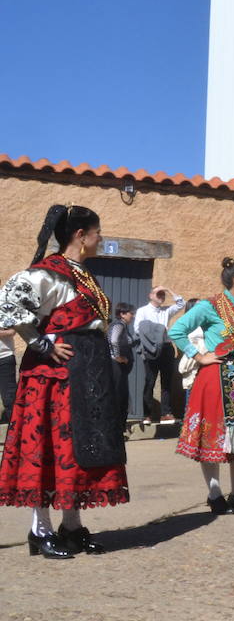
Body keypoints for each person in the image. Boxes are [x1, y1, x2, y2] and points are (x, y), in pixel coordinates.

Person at [0, 205, 128, 558]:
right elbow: (10, 300)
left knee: (76, 448)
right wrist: (41, 343)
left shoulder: (81, 273)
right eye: (97, 232)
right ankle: (38, 531)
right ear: (80, 235)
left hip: (85, 370)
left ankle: (71, 527)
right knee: (46, 446)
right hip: (54, 374)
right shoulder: (50, 271)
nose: (100, 238)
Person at [170, 258, 234, 514]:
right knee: (213, 437)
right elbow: (177, 330)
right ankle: (215, 493)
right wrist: (200, 356)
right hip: (215, 378)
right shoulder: (210, 306)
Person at [134, 284, 186, 424]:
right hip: (151, 348)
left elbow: (181, 303)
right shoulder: (143, 311)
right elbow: (137, 329)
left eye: (163, 295)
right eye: (158, 294)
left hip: (166, 347)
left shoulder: (166, 311)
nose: (161, 297)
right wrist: (155, 333)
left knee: (166, 382)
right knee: (149, 382)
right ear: (150, 295)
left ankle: (166, 413)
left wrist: (168, 289)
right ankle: (147, 415)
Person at [108, 302, 136, 425]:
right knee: (119, 395)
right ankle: (117, 426)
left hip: (120, 367)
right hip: (116, 366)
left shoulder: (124, 326)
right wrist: (118, 357)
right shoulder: (119, 324)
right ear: (122, 314)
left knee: (122, 395)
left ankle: (119, 426)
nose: (133, 316)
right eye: (131, 313)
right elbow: (114, 340)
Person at [0, 326, 16, 426]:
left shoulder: (6, 310)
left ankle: (16, 431)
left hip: (5, 357)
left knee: (9, 398)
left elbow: (13, 331)